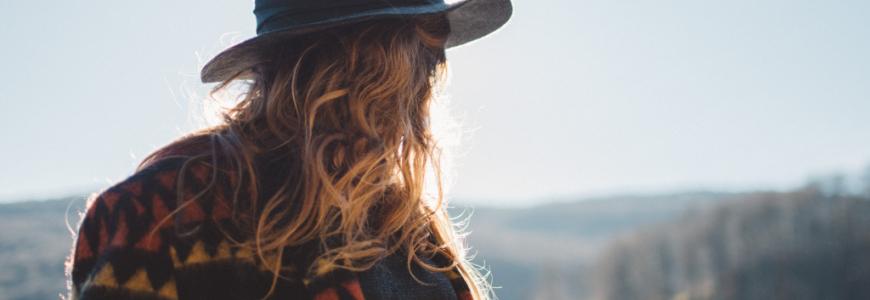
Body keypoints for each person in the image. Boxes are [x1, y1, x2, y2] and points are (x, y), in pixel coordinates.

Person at [66, 0, 511, 299]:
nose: (432, 78)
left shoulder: (409, 231)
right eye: (425, 54)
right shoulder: (161, 215)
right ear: (363, 62)